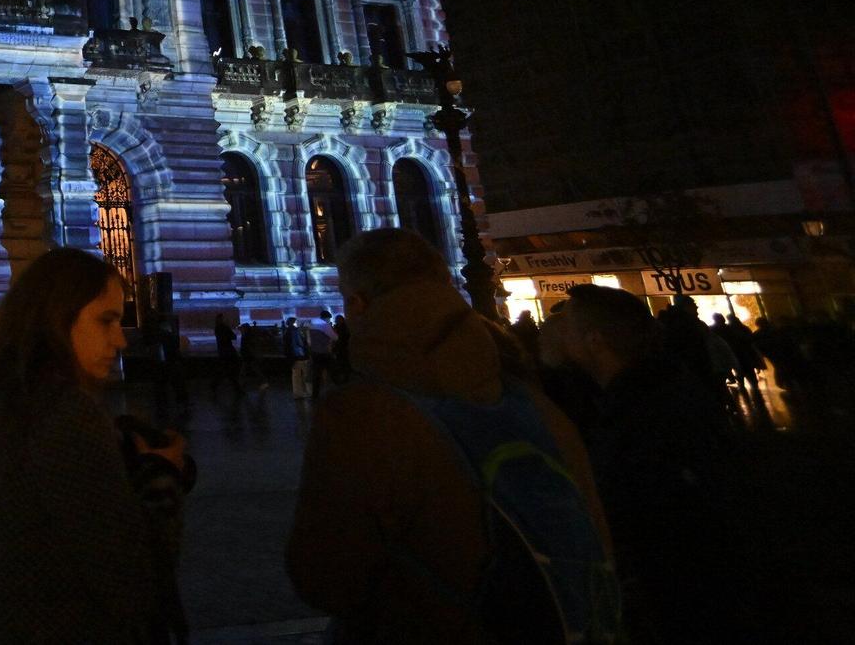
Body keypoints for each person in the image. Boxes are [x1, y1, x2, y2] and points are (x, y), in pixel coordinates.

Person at [286, 228, 618, 643]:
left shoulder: (361, 413)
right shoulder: (536, 402)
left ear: (356, 304)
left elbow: (324, 580)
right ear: (444, 283)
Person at [0, 247, 191, 643]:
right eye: (106, 321)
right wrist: (161, 476)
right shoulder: (63, 413)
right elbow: (136, 585)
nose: (120, 341)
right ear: (56, 318)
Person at [543, 284, 744, 641]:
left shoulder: (649, 415)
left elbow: (665, 523)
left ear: (594, 341)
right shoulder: (647, 391)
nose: (559, 333)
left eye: (569, 328)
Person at [212, 312, 242, 395]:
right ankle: (237, 388)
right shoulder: (225, 327)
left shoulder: (217, 328)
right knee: (231, 371)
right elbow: (233, 337)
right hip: (229, 351)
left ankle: (215, 385)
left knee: (225, 370)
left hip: (223, 351)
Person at [282, 315, 311, 399]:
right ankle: (309, 391)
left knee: (296, 375)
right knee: (306, 374)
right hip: (300, 356)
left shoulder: (287, 332)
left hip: (292, 357)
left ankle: (298, 393)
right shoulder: (296, 331)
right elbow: (300, 343)